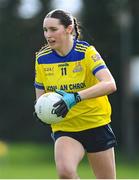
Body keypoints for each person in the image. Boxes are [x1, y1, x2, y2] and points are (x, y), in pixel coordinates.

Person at [34, 9, 117, 179]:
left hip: (95, 123)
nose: (48, 35)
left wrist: (75, 97)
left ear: (69, 29)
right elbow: (40, 97)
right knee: (65, 172)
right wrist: (40, 110)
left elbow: (110, 84)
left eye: (53, 29)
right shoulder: (42, 59)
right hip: (66, 127)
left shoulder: (86, 52)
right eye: (45, 30)